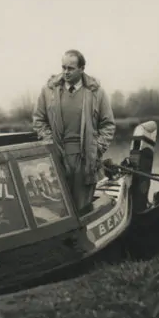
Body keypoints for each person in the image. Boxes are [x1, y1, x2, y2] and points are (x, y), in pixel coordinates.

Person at [32, 49, 116, 214]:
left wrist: (97, 148)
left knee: (83, 208)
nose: (65, 72)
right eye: (63, 67)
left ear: (82, 69)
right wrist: (49, 141)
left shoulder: (96, 92)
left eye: (70, 68)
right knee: (58, 207)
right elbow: (38, 120)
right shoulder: (48, 91)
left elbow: (108, 124)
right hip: (57, 157)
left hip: (85, 159)